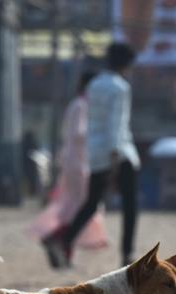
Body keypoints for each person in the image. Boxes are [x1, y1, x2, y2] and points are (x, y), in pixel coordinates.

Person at [43, 42, 140, 269]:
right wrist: (115, 157)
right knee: (130, 205)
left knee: (91, 203)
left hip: (95, 152)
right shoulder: (120, 87)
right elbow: (116, 124)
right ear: (126, 64)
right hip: (119, 152)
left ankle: (63, 239)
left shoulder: (94, 85)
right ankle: (127, 253)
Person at [28, 71, 109, 251]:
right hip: (78, 163)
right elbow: (79, 133)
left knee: (74, 203)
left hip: (75, 161)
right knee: (82, 204)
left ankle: (65, 242)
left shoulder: (79, 104)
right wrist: (98, 134)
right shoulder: (81, 105)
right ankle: (59, 238)